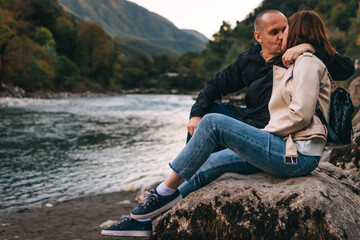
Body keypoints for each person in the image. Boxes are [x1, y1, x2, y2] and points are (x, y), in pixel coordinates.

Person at [101, 9, 354, 237]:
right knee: (205, 161)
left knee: (212, 124)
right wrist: (195, 114)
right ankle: (143, 219)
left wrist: (308, 46)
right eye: (274, 32)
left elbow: (303, 111)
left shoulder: (304, 61)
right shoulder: (256, 60)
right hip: (267, 135)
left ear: (295, 33)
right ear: (258, 37)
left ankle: (159, 195)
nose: (280, 37)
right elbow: (214, 85)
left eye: (285, 30)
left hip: (283, 144)